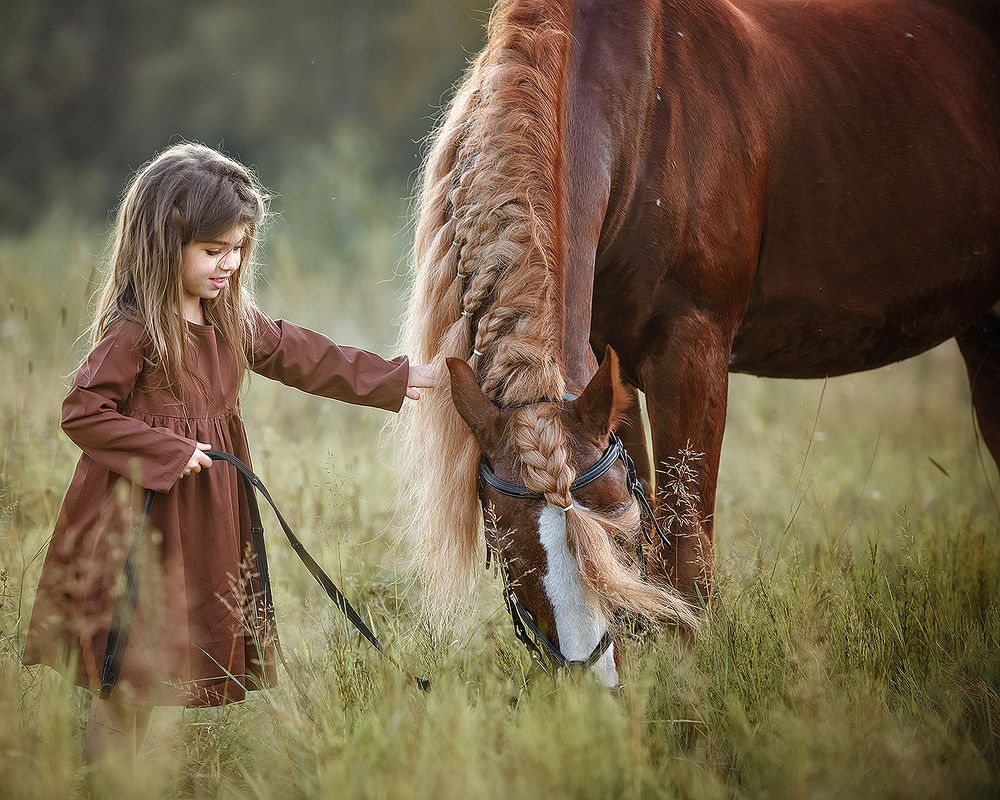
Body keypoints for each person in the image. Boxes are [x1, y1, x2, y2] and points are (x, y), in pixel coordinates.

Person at [20, 142, 440, 761]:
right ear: (167, 245)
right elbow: (82, 412)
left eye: (238, 249)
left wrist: (399, 379)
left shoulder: (227, 318)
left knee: (169, 657)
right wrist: (163, 448)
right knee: (127, 674)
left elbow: (305, 356)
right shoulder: (137, 329)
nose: (230, 264)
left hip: (202, 520)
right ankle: (105, 780)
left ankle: (144, 775)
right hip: (140, 521)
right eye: (213, 251)